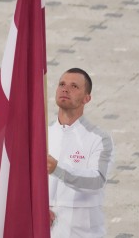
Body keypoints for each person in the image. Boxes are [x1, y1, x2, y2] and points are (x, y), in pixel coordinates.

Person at [47, 68, 114, 238]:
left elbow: (97, 180)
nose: (65, 89)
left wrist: (58, 169)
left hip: (83, 233)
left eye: (74, 86)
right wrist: (37, 209)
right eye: (62, 84)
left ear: (87, 98)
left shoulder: (99, 138)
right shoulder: (41, 134)